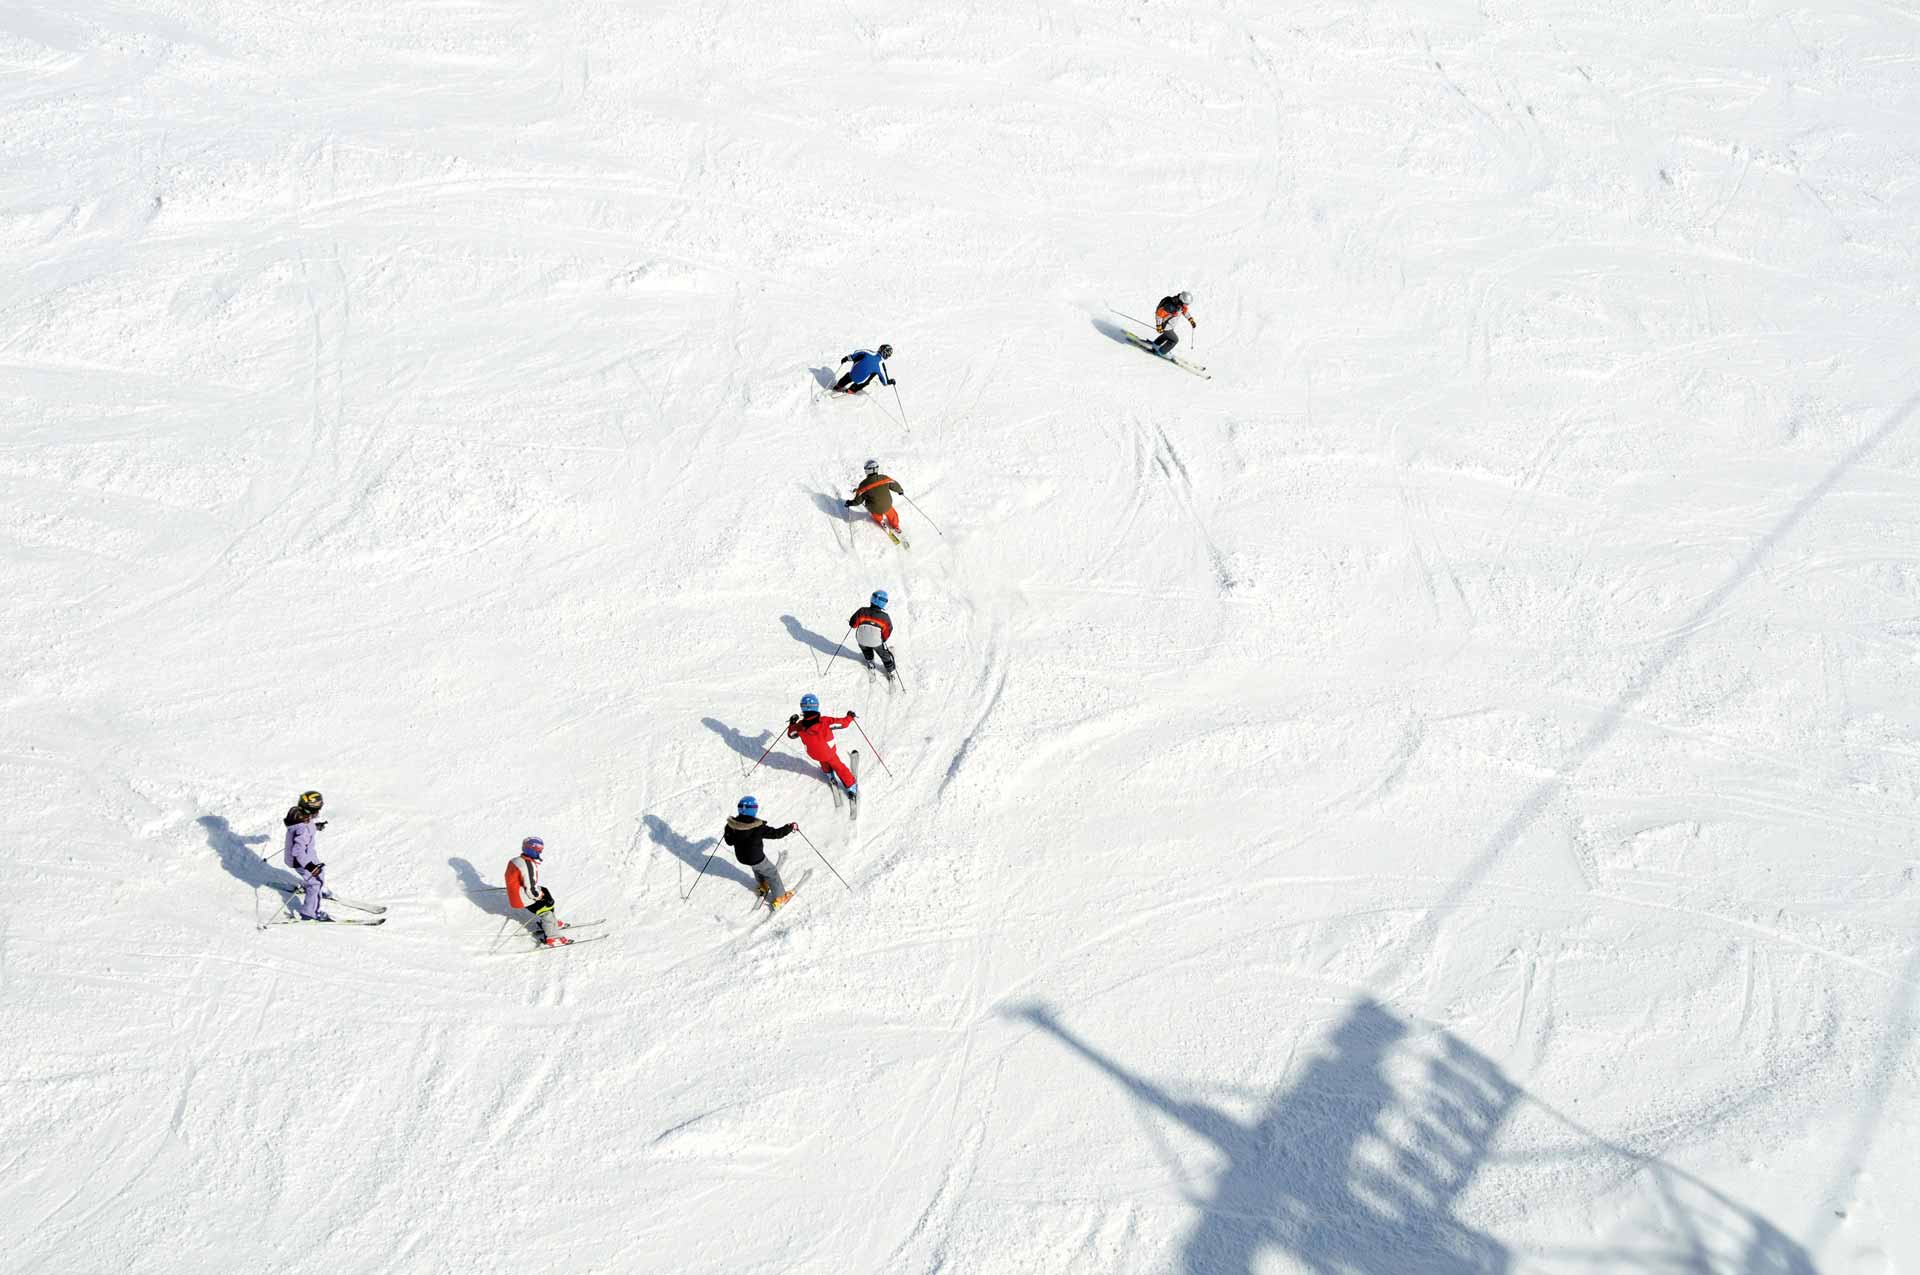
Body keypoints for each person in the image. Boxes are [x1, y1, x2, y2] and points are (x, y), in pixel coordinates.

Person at [723, 796, 798, 909]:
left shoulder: (732, 825)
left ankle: (762, 884)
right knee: (771, 872)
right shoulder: (758, 827)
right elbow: (776, 834)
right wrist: (789, 827)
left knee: (757, 867)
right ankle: (780, 897)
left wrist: (728, 831)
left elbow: (729, 842)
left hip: (742, 858)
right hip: (756, 858)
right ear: (753, 810)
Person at [786, 693, 859, 797]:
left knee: (821, 756)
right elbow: (842, 723)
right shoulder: (825, 721)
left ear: (802, 707)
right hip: (829, 753)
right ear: (816, 706)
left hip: (814, 754)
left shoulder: (799, 726)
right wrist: (850, 717)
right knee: (838, 765)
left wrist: (792, 723)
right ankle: (851, 785)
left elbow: (791, 734)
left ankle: (828, 773)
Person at [505, 836, 571, 947]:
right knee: (547, 909)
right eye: (539, 850)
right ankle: (553, 937)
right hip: (522, 897)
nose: (540, 852)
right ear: (531, 850)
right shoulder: (528, 865)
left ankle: (551, 923)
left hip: (515, 892)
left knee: (545, 892)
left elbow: (513, 877)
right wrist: (540, 896)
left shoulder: (515, 860)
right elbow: (531, 891)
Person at [281, 790, 331, 921]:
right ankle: (310, 913)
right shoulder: (302, 828)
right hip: (301, 860)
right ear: (311, 810)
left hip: (308, 855)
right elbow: (297, 852)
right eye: (318, 809)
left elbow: (307, 825)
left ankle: (318, 890)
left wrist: (316, 827)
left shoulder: (302, 817)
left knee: (320, 872)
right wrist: (310, 867)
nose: (319, 812)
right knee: (314, 883)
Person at [844, 459, 906, 536]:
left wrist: (850, 503)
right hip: (887, 505)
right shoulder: (884, 478)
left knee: (876, 512)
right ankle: (896, 525)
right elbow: (895, 485)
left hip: (875, 508)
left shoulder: (863, 485)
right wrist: (900, 491)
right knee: (892, 513)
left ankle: (881, 521)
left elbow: (858, 501)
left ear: (867, 471)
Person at [848, 590, 897, 680]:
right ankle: (890, 670)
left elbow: (853, 624)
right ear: (884, 603)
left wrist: (855, 623)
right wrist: (883, 639)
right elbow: (888, 630)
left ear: (872, 599)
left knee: (866, 649)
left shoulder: (862, 611)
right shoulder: (885, 617)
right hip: (876, 642)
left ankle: (870, 662)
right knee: (883, 654)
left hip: (861, 640)